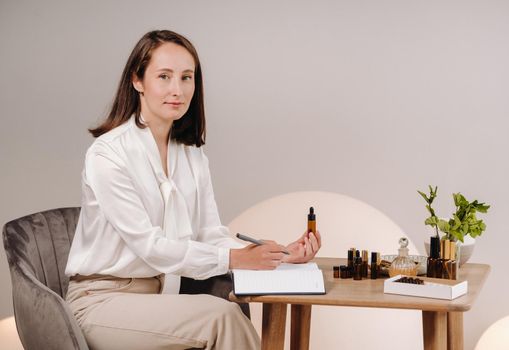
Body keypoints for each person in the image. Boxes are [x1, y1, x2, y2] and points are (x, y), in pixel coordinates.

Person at [65, 29, 321, 350]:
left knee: (225, 313)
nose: (177, 89)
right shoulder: (108, 154)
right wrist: (235, 258)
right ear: (137, 81)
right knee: (221, 317)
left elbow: (209, 233)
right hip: (102, 302)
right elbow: (151, 247)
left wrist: (279, 256)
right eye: (164, 76)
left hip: (160, 298)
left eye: (187, 77)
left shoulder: (191, 155)